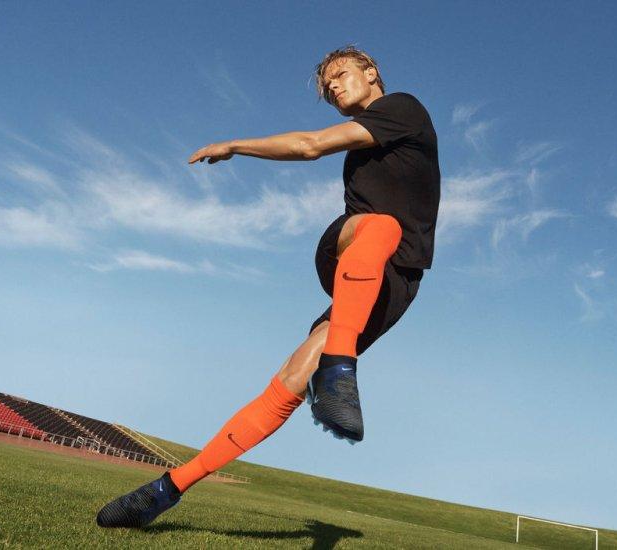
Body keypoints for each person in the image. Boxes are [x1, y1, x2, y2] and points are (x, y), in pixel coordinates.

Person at [96, 45, 440, 529]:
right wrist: (236, 145)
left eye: (340, 75)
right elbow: (309, 145)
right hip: (351, 247)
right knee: (380, 225)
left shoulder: (402, 107)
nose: (333, 87)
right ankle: (341, 372)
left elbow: (311, 143)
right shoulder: (370, 137)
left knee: (291, 381)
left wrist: (237, 144)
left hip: (396, 282)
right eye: (327, 87)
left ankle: (166, 488)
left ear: (372, 71)